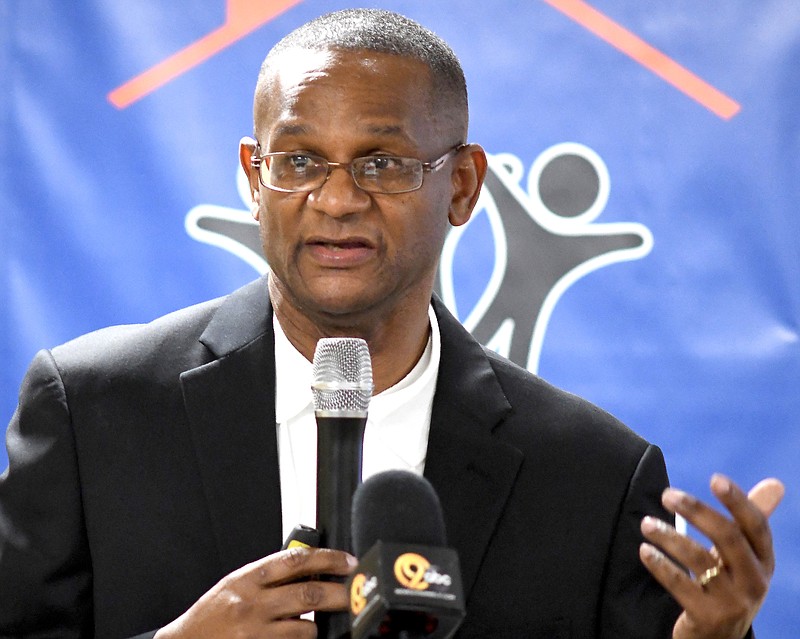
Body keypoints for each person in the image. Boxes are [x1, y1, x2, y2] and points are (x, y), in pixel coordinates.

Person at [0, 8, 783, 639]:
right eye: (300, 161)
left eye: (382, 163)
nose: (337, 199)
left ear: (464, 186)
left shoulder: (595, 477)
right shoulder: (90, 410)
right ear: (253, 177)